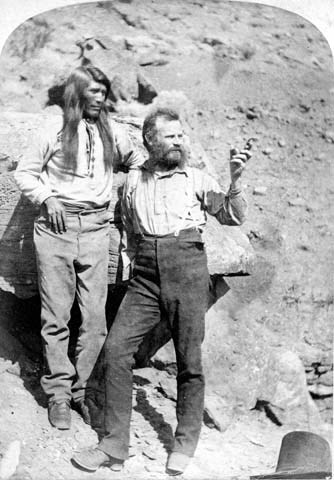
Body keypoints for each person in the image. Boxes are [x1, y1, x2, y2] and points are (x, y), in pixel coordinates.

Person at [72, 107, 251, 475]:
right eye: (170, 136)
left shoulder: (196, 178)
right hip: (146, 277)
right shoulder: (134, 181)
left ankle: (184, 444)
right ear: (150, 140)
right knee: (117, 351)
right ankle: (114, 445)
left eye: (181, 135)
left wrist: (235, 181)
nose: (179, 142)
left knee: (189, 360)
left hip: (187, 268)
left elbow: (232, 215)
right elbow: (125, 224)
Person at [14, 65, 143, 430]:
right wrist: (46, 198)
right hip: (57, 226)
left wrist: (128, 188)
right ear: (76, 95)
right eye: (94, 93)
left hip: (98, 228)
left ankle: (82, 390)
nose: (101, 99)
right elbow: (24, 173)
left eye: (104, 93)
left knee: (94, 317)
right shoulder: (51, 130)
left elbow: (135, 161)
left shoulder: (111, 131)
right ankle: (57, 394)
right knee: (56, 315)